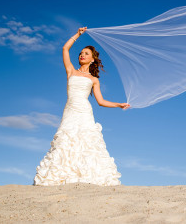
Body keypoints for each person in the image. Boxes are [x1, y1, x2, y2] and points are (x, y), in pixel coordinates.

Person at [33, 27, 129, 186]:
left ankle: (89, 178)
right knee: (65, 141)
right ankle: (61, 178)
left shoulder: (94, 79)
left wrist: (118, 105)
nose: (82, 55)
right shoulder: (71, 71)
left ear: (92, 59)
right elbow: (65, 48)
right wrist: (77, 35)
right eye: (81, 53)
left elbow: (101, 101)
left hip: (84, 111)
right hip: (69, 111)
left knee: (87, 142)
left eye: (86, 54)